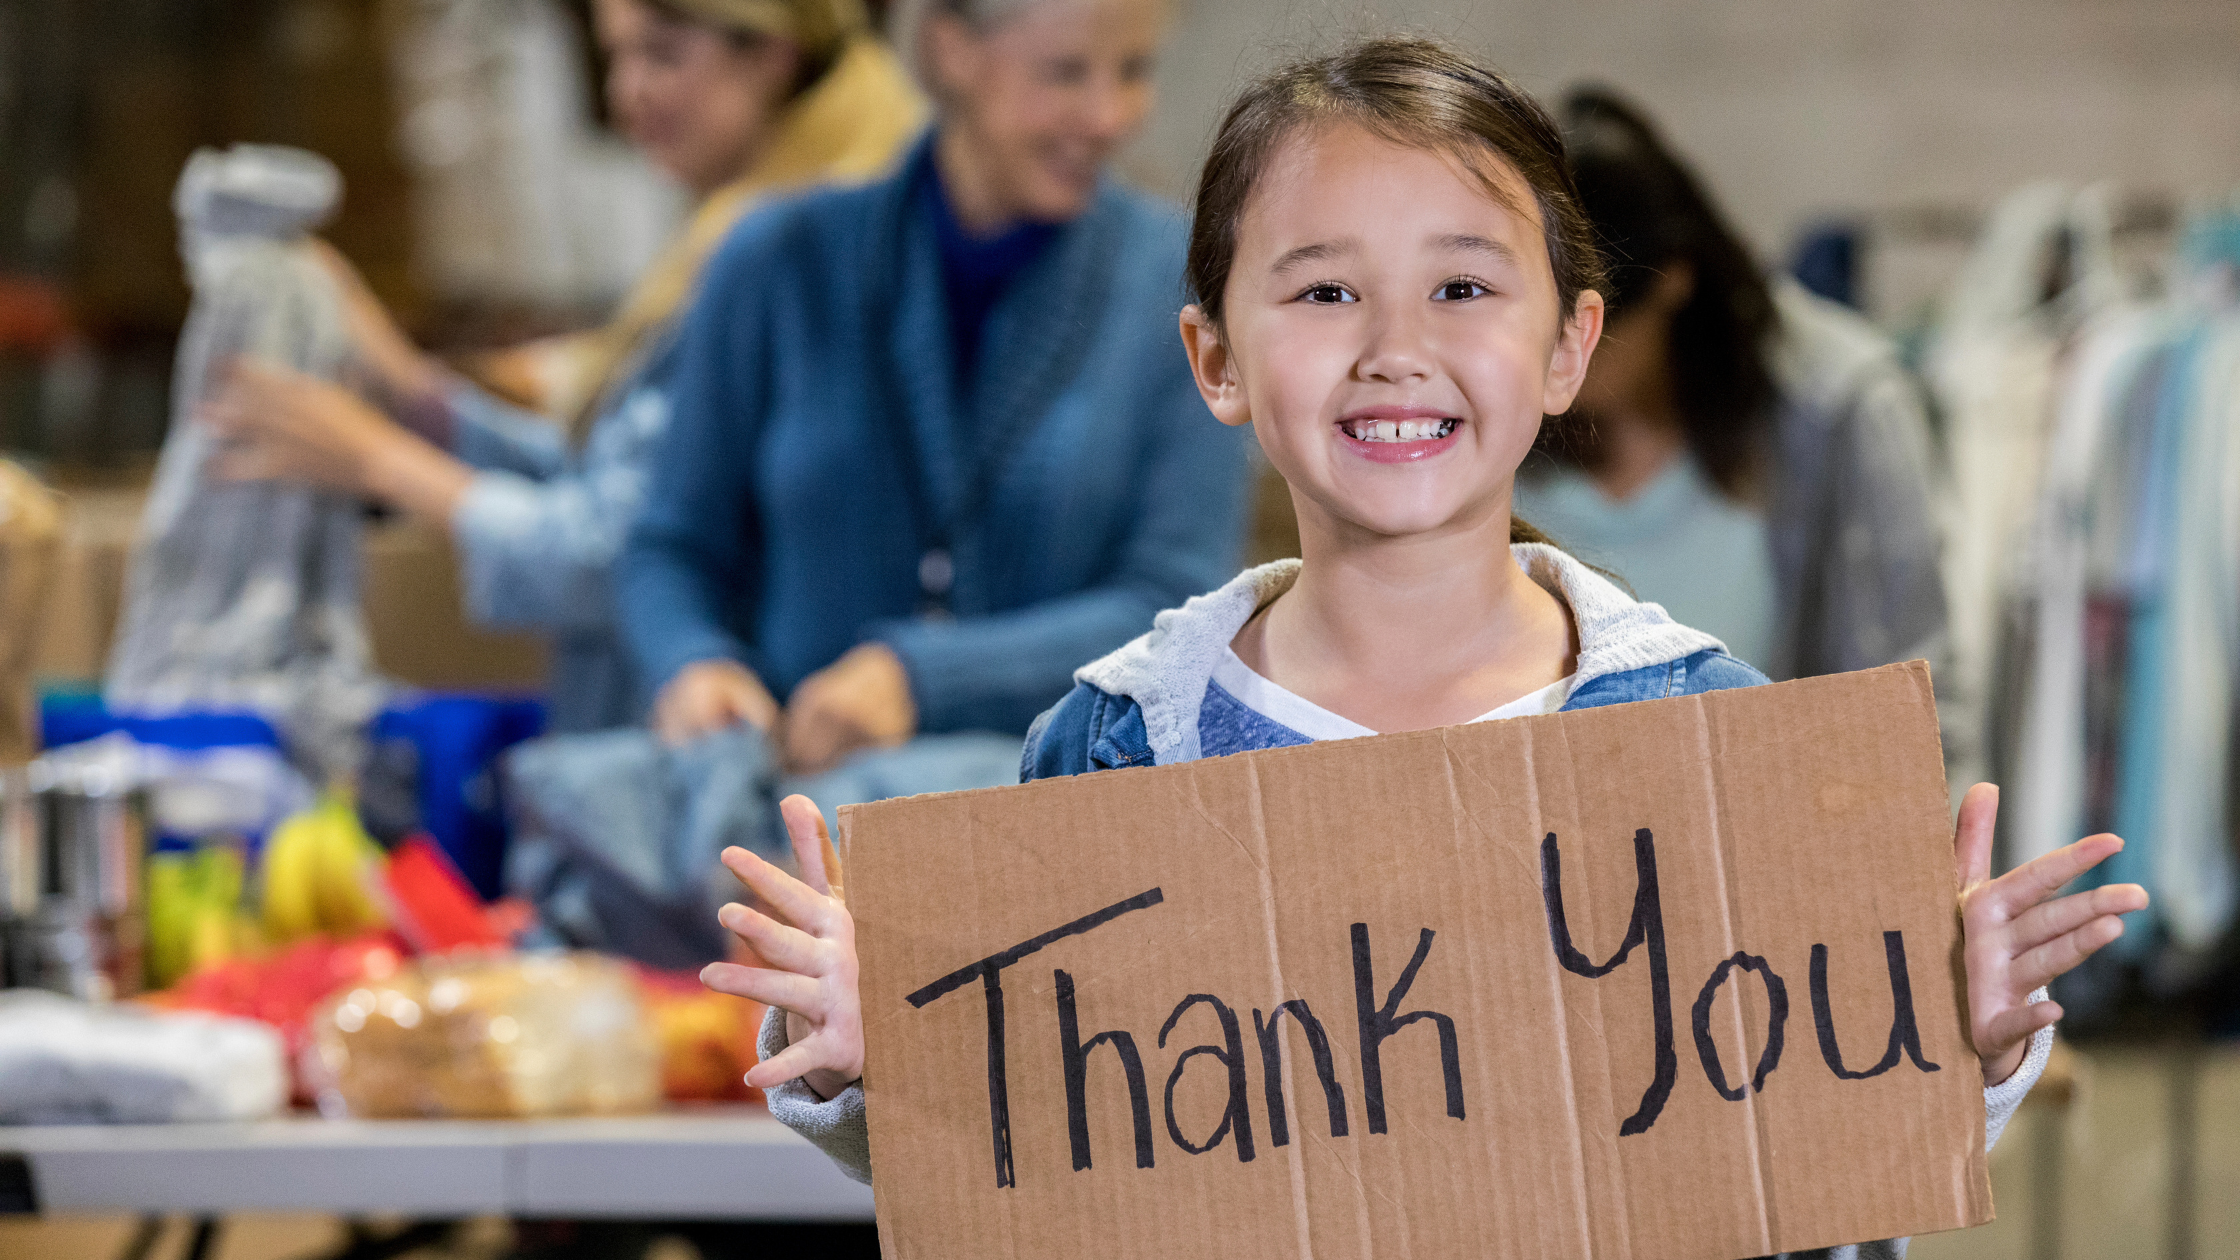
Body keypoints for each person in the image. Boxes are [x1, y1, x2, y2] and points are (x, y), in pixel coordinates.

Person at [698, 38, 2149, 1258]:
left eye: (1463, 287)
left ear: (1569, 347)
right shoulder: (1113, 751)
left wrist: (1936, 1049)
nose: (1395, 347)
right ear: (1213, 357)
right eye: (1323, 291)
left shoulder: (1714, 738)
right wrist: (887, 1065)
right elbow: (1053, 1186)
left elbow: (1811, 1218)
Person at [200, 0, 924, 733]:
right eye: (615, 58)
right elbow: (627, 474)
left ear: (772, 57)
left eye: (663, 56)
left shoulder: (797, 267)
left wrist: (382, 462)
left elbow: (620, 551)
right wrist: (417, 397)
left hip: (733, 742)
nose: (627, 92)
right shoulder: (739, 236)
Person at [619, 0, 1248, 785]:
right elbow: (673, 545)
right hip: (776, 809)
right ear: (952, 50)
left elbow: (1177, 601)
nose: (1110, 115)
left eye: (1133, 70)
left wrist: (919, 677)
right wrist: (694, 663)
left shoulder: (1177, 287)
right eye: (1065, 72)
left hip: (1055, 815)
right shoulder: (775, 263)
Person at [1514, 89, 1948, 694]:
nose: (1565, 353)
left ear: (1673, 281)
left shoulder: (1835, 404)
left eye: (1596, 327)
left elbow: (1914, 678)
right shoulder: (1488, 403)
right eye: (1540, 322)